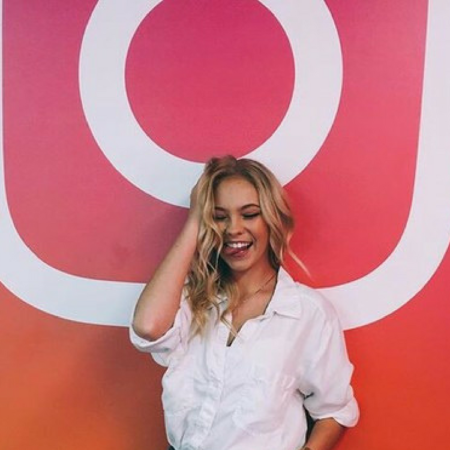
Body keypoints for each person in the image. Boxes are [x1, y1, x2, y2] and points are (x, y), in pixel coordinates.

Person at [130, 155, 359, 450]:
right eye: (219, 216)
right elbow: (148, 327)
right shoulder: (191, 298)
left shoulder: (307, 313)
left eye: (249, 214)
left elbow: (334, 411)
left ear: (272, 218)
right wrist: (195, 219)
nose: (233, 229)